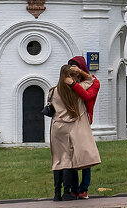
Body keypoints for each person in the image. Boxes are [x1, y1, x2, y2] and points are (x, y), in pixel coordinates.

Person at [49, 64, 100, 200]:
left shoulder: (53, 91)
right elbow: (92, 81)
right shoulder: (77, 90)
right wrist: (81, 72)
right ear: (72, 77)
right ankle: (67, 193)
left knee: (58, 160)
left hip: (57, 127)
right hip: (72, 126)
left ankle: (56, 194)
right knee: (68, 161)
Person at [67, 56, 99, 198]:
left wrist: (74, 84)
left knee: (85, 155)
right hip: (71, 121)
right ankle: (74, 188)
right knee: (72, 155)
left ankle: (83, 188)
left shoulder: (93, 82)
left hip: (84, 121)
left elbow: (87, 96)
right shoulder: (68, 83)